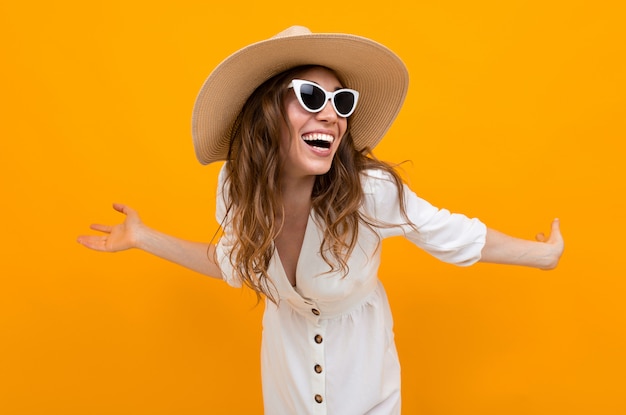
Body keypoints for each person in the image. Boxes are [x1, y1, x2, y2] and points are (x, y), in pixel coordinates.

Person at [77, 26, 564, 415]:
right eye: (312, 96)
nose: (331, 115)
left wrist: (545, 255)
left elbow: (455, 235)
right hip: (286, 372)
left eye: (341, 101)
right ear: (267, 112)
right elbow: (234, 262)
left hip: (363, 373)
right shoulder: (236, 187)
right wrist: (143, 237)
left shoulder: (368, 193)